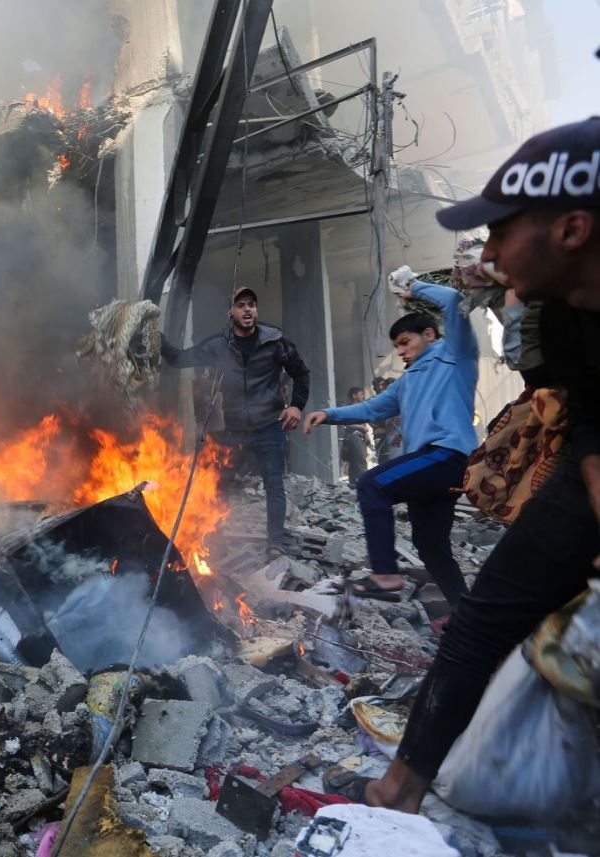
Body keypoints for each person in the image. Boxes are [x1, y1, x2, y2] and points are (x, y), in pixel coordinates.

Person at [346, 117, 600, 813]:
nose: (487, 253)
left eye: (500, 232)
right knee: (485, 614)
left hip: (443, 459)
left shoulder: (451, 352)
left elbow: (454, 304)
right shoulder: (561, 322)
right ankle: (399, 789)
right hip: (581, 461)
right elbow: (590, 419)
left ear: (572, 230)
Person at [303, 278, 478, 607]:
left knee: (372, 484)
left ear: (429, 334)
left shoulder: (457, 355)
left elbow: (454, 300)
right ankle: (468, 618)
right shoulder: (406, 381)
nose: (400, 351)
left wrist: (414, 287)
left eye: (405, 342)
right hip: (430, 466)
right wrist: (327, 414)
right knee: (431, 548)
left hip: (449, 455)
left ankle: (385, 575)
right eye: (396, 346)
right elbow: (371, 409)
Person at [162, 286, 311, 557]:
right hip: (235, 430)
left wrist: (296, 407)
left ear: (256, 310)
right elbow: (179, 359)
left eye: (251, 304)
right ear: (230, 312)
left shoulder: (276, 341)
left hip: (270, 427)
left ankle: (275, 542)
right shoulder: (218, 345)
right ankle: (214, 540)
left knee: (274, 486)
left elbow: (301, 373)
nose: (247, 310)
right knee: (220, 484)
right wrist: (155, 338)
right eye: (241, 305)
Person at [341, 386, 374, 487]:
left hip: (360, 437)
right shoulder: (349, 408)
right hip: (353, 437)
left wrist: (366, 435)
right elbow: (346, 423)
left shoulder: (360, 408)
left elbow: (363, 423)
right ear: (354, 396)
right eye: (361, 394)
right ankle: (362, 485)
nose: (363, 396)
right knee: (360, 463)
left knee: (357, 462)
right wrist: (361, 427)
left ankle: (355, 485)